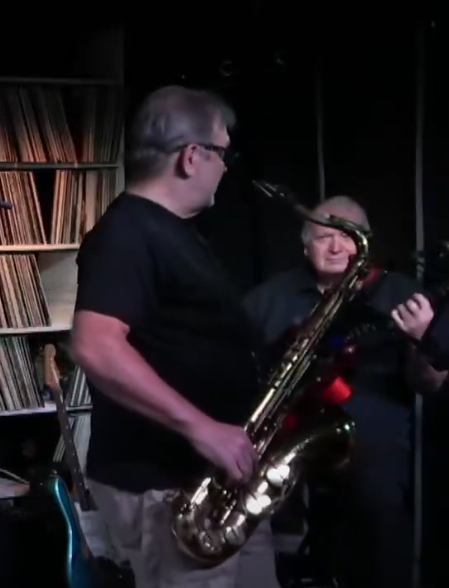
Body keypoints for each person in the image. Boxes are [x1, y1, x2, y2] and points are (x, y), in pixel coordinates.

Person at [67, 85, 277, 588]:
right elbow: (95, 344)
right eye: (223, 152)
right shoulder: (127, 234)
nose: (226, 168)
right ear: (191, 156)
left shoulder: (175, 232)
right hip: (166, 488)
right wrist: (202, 428)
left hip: (211, 483)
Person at [243, 196, 447, 588]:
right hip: (284, 444)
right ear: (306, 246)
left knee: (380, 530)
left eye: (347, 236)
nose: (336, 246)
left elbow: (431, 383)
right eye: (323, 236)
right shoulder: (266, 299)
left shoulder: (404, 294)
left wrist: (423, 341)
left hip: (371, 452)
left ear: (366, 243)